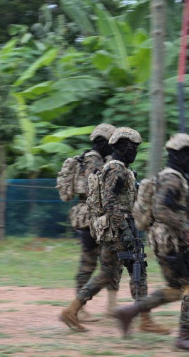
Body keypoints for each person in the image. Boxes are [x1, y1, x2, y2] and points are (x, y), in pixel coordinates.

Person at [59, 127, 167, 333]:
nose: (135, 151)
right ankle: (145, 319)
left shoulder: (118, 167)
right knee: (138, 271)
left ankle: (71, 310)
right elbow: (109, 201)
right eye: (133, 147)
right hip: (119, 227)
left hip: (116, 226)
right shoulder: (116, 169)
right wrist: (125, 230)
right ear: (122, 146)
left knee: (107, 273)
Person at [114, 133, 189, 347]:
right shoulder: (172, 178)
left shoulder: (173, 176)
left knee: (176, 289)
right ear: (181, 154)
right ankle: (184, 335)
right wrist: (185, 228)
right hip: (173, 241)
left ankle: (129, 311)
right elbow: (161, 209)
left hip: (167, 240)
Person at [67, 123, 122, 320]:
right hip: (93, 216)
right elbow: (95, 191)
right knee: (91, 262)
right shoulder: (94, 160)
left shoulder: (93, 158)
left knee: (108, 260)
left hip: (90, 216)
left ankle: (110, 306)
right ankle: (81, 308)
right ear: (104, 142)